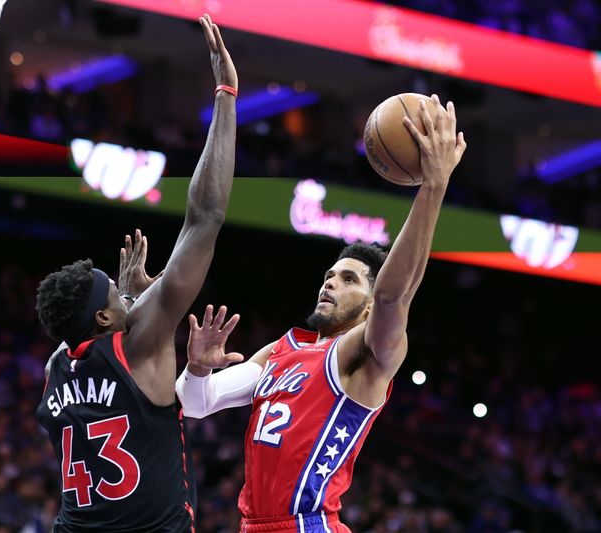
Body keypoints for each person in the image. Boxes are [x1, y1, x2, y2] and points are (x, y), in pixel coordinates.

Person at [176, 95, 467, 532]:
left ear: (368, 306)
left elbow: (393, 297)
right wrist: (197, 368)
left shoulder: (364, 357)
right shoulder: (282, 349)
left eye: (349, 280)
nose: (330, 282)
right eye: (330, 274)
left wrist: (434, 186)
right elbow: (197, 405)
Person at [34, 14, 238, 532]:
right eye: (117, 295)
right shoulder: (142, 341)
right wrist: (225, 95)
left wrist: (126, 296)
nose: (129, 298)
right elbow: (205, 217)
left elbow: (86, 348)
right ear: (104, 315)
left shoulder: (55, 367)